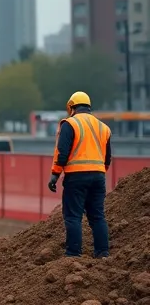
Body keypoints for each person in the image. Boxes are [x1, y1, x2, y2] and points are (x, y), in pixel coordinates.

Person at [48, 91, 113, 258]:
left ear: (72, 107)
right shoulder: (103, 127)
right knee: (97, 216)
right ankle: (103, 253)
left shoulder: (70, 124)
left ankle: (73, 254)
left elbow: (62, 152)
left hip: (76, 177)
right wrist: (98, 173)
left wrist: (55, 174)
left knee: (73, 216)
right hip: (98, 177)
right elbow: (107, 157)